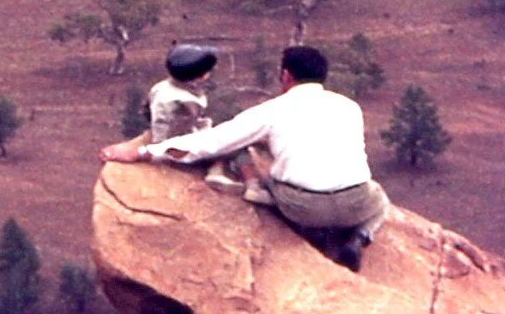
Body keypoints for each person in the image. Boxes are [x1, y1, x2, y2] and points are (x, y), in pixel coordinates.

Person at [102, 44, 390, 272]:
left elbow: (210, 143)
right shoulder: (350, 107)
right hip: (357, 203)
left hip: (303, 208)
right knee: (380, 200)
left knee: (270, 178)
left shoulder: (272, 110)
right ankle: (359, 238)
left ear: (286, 76)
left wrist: (141, 152)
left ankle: (292, 218)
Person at [146, 43, 242, 192]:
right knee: (229, 144)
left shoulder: (161, 87)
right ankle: (215, 172)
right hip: (173, 147)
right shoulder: (188, 100)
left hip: (162, 136)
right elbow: (185, 129)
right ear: (202, 75)